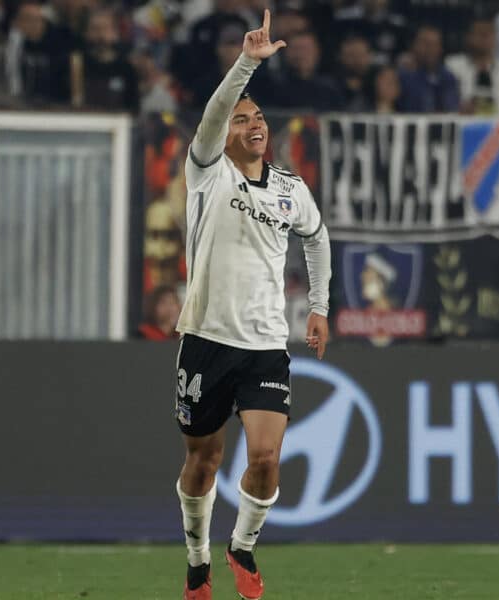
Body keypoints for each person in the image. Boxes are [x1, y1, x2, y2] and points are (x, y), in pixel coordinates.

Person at [172, 10, 331, 600]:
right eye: (242, 118)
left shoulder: (292, 189)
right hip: (206, 337)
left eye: (259, 116)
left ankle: (241, 546)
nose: (253, 123)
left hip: (265, 343)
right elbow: (215, 115)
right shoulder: (207, 172)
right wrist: (246, 65)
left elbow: (316, 238)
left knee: (264, 459)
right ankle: (196, 562)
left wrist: (319, 305)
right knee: (204, 462)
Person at [445, 17, 499, 118]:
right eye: (480, 33)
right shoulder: (452, 66)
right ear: (468, 37)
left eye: (490, 33)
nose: (485, 37)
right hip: (464, 125)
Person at [396, 24, 459, 113]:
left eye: (435, 44)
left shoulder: (448, 77)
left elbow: (451, 109)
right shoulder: (402, 76)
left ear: (441, 48)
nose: (430, 49)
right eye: (425, 43)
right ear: (413, 45)